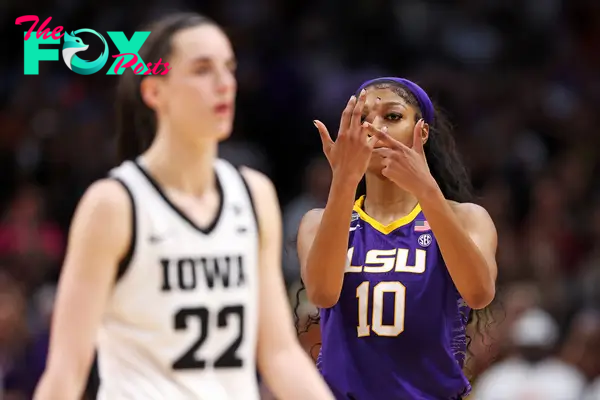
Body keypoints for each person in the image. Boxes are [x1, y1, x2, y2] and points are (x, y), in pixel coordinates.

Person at [33, 12, 334, 400]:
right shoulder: (113, 205)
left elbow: (277, 353)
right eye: (202, 70)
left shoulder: (253, 195)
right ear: (154, 91)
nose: (224, 83)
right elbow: (66, 373)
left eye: (229, 68)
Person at [296, 77, 498, 399]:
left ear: (422, 131)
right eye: (362, 119)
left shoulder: (467, 217)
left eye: (392, 116)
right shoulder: (317, 222)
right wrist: (344, 181)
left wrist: (426, 190)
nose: (375, 128)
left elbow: (479, 293)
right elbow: (322, 293)